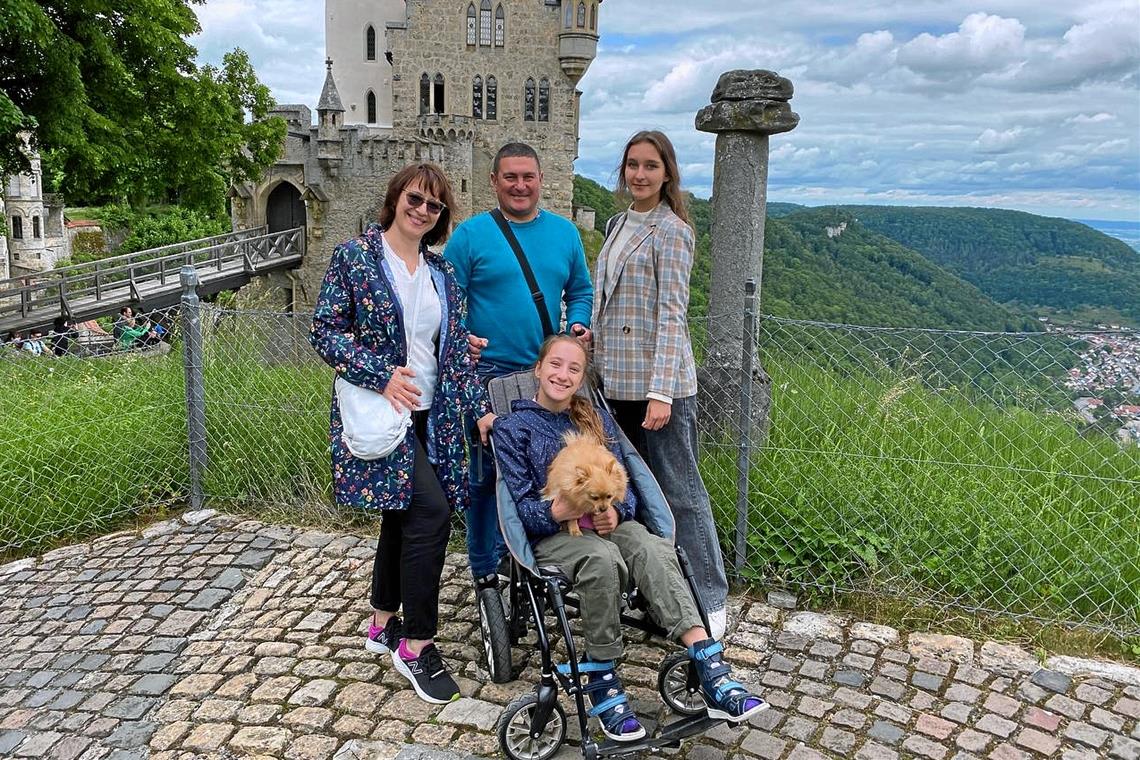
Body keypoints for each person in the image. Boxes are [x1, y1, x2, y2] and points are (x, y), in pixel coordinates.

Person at [493, 335, 767, 741]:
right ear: (539, 368)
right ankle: (601, 674)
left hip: (609, 523)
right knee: (601, 560)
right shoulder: (512, 428)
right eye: (555, 364)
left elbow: (628, 490)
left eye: (573, 368)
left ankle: (709, 664)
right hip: (557, 532)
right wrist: (559, 511)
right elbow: (519, 507)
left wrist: (616, 513)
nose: (562, 375)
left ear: (583, 377)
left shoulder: (595, 421)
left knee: (653, 548)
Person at [310, 162, 494, 705]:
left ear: (441, 219)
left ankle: (380, 622)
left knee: (403, 513)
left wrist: (479, 411)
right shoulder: (356, 259)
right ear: (395, 199)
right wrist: (381, 373)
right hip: (381, 411)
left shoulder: (442, 274)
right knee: (432, 513)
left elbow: (455, 353)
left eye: (434, 206)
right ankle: (416, 644)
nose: (422, 210)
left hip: (432, 415)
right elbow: (325, 331)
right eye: (415, 199)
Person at [591, 130, 731, 639]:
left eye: (651, 166)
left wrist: (661, 392)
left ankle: (711, 601)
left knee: (680, 493)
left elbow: (673, 317)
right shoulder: (616, 224)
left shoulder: (673, 232)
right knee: (638, 497)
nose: (639, 174)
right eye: (632, 165)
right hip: (616, 385)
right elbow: (610, 303)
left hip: (658, 390)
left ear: (667, 173)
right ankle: (659, 599)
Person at [444, 142, 593, 589]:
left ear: (540, 180)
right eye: (510, 177)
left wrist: (579, 325)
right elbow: (446, 302)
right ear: (494, 182)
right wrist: (460, 336)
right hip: (488, 376)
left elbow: (580, 291)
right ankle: (486, 571)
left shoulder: (565, 234)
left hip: (548, 378)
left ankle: (532, 563)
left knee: (547, 472)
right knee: (487, 478)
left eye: (528, 176)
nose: (520, 185)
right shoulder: (470, 236)